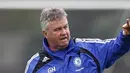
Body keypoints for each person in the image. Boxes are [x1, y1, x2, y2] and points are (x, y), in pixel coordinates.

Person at [25, 8, 130, 73]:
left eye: (65, 27)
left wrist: (126, 35)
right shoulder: (34, 65)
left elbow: (118, 46)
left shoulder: (91, 49)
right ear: (45, 33)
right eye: (57, 29)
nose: (64, 32)